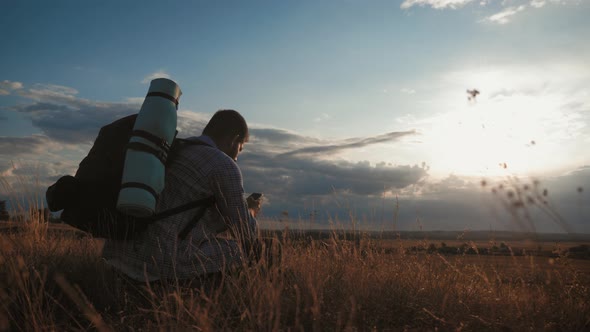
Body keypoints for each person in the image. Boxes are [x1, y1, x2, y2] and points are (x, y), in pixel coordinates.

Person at [101, 109, 263, 284]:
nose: (238, 157)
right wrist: (251, 210)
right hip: (158, 262)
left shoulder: (175, 149)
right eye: (241, 147)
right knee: (249, 249)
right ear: (234, 139)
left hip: (117, 255)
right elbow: (246, 231)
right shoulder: (224, 165)